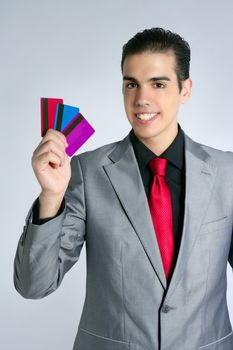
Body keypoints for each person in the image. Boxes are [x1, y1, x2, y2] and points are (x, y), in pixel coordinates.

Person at [14, 28, 233, 350]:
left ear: (185, 89)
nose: (142, 99)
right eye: (131, 84)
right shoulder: (87, 172)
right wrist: (51, 196)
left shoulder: (227, 172)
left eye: (158, 84)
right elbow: (34, 285)